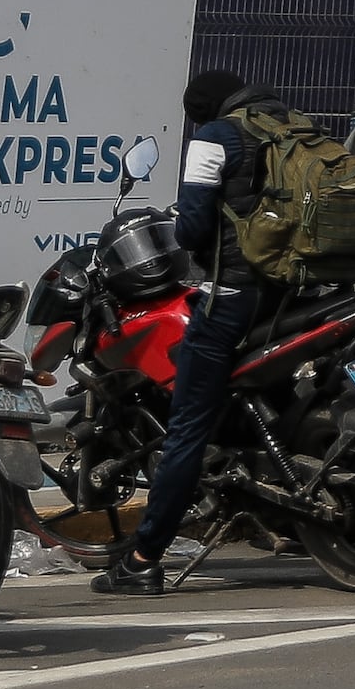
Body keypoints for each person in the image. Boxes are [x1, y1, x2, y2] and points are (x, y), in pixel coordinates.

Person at [96, 66, 266, 594]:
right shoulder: (291, 127)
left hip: (237, 294)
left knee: (188, 425)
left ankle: (144, 559)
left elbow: (191, 227)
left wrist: (200, 234)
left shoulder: (215, 138)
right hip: (302, 293)